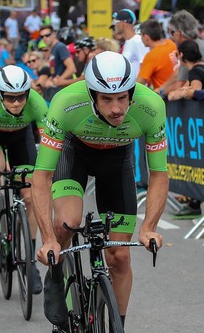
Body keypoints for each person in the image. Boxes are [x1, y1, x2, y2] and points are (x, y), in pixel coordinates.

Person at [32, 51, 168, 331]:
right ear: (92, 95)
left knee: (119, 255)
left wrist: (149, 227)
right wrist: (47, 240)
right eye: (107, 99)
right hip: (75, 154)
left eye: (122, 98)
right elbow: (42, 176)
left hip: (117, 161)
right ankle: (56, 275)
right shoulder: (66, 103)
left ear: (132, 92)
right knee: (66, 224)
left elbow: (158, 174)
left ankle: (119, 325)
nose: (117, 108)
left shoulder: (151, 106)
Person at [0, 65, 48, 294]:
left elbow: (48, 144)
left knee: (31, 195)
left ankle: (30, 261)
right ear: (0, 94)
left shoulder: (37, 103)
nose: (16, 103)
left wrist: (47, 174)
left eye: (21, 97)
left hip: (21, 140)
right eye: (10, 98)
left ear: (28, 93)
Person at [138, 19, 177, 90]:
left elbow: (140, 82)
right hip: (178, 89)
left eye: (141, 35)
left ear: (146, 37)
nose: (141, 38)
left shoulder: (152, 56)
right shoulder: (171, 44)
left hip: (164, 95)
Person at [112, 8, 149, 74]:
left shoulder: (138, 41)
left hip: (137, 84)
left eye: (116, 22)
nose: (115, 25)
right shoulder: (128, 42)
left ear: (122, 23)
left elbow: (146, 65)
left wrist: (139, 83)